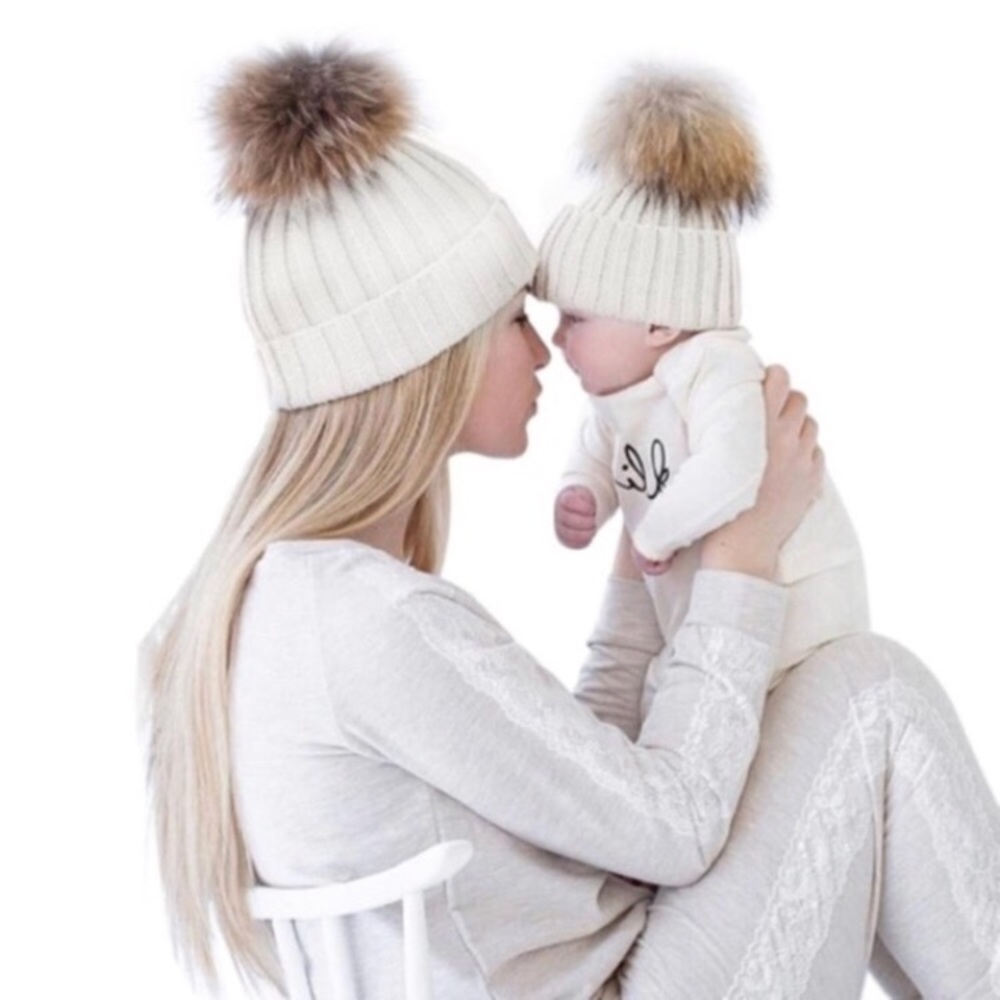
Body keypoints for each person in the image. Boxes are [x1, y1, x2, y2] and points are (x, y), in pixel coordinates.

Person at [141, 41, 1000, 999]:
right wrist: (743, 554)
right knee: (872, 691)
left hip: (612, 964)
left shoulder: (300, 604)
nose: (546, 349)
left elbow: (598, 794)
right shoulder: (370, 621)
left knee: (859, 692)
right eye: (515, 318)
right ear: (433, 358)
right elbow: (674, 826)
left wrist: (652, 543)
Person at [538, 67, 868, 691]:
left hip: (800, 622)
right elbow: (598, 453)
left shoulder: (715, 368)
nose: (557, 340)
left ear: (660, 321)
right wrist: (581, 494)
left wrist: (657, 535)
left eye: (574, 319)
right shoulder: (619, 398)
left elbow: (733, 468)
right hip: (716, 620)